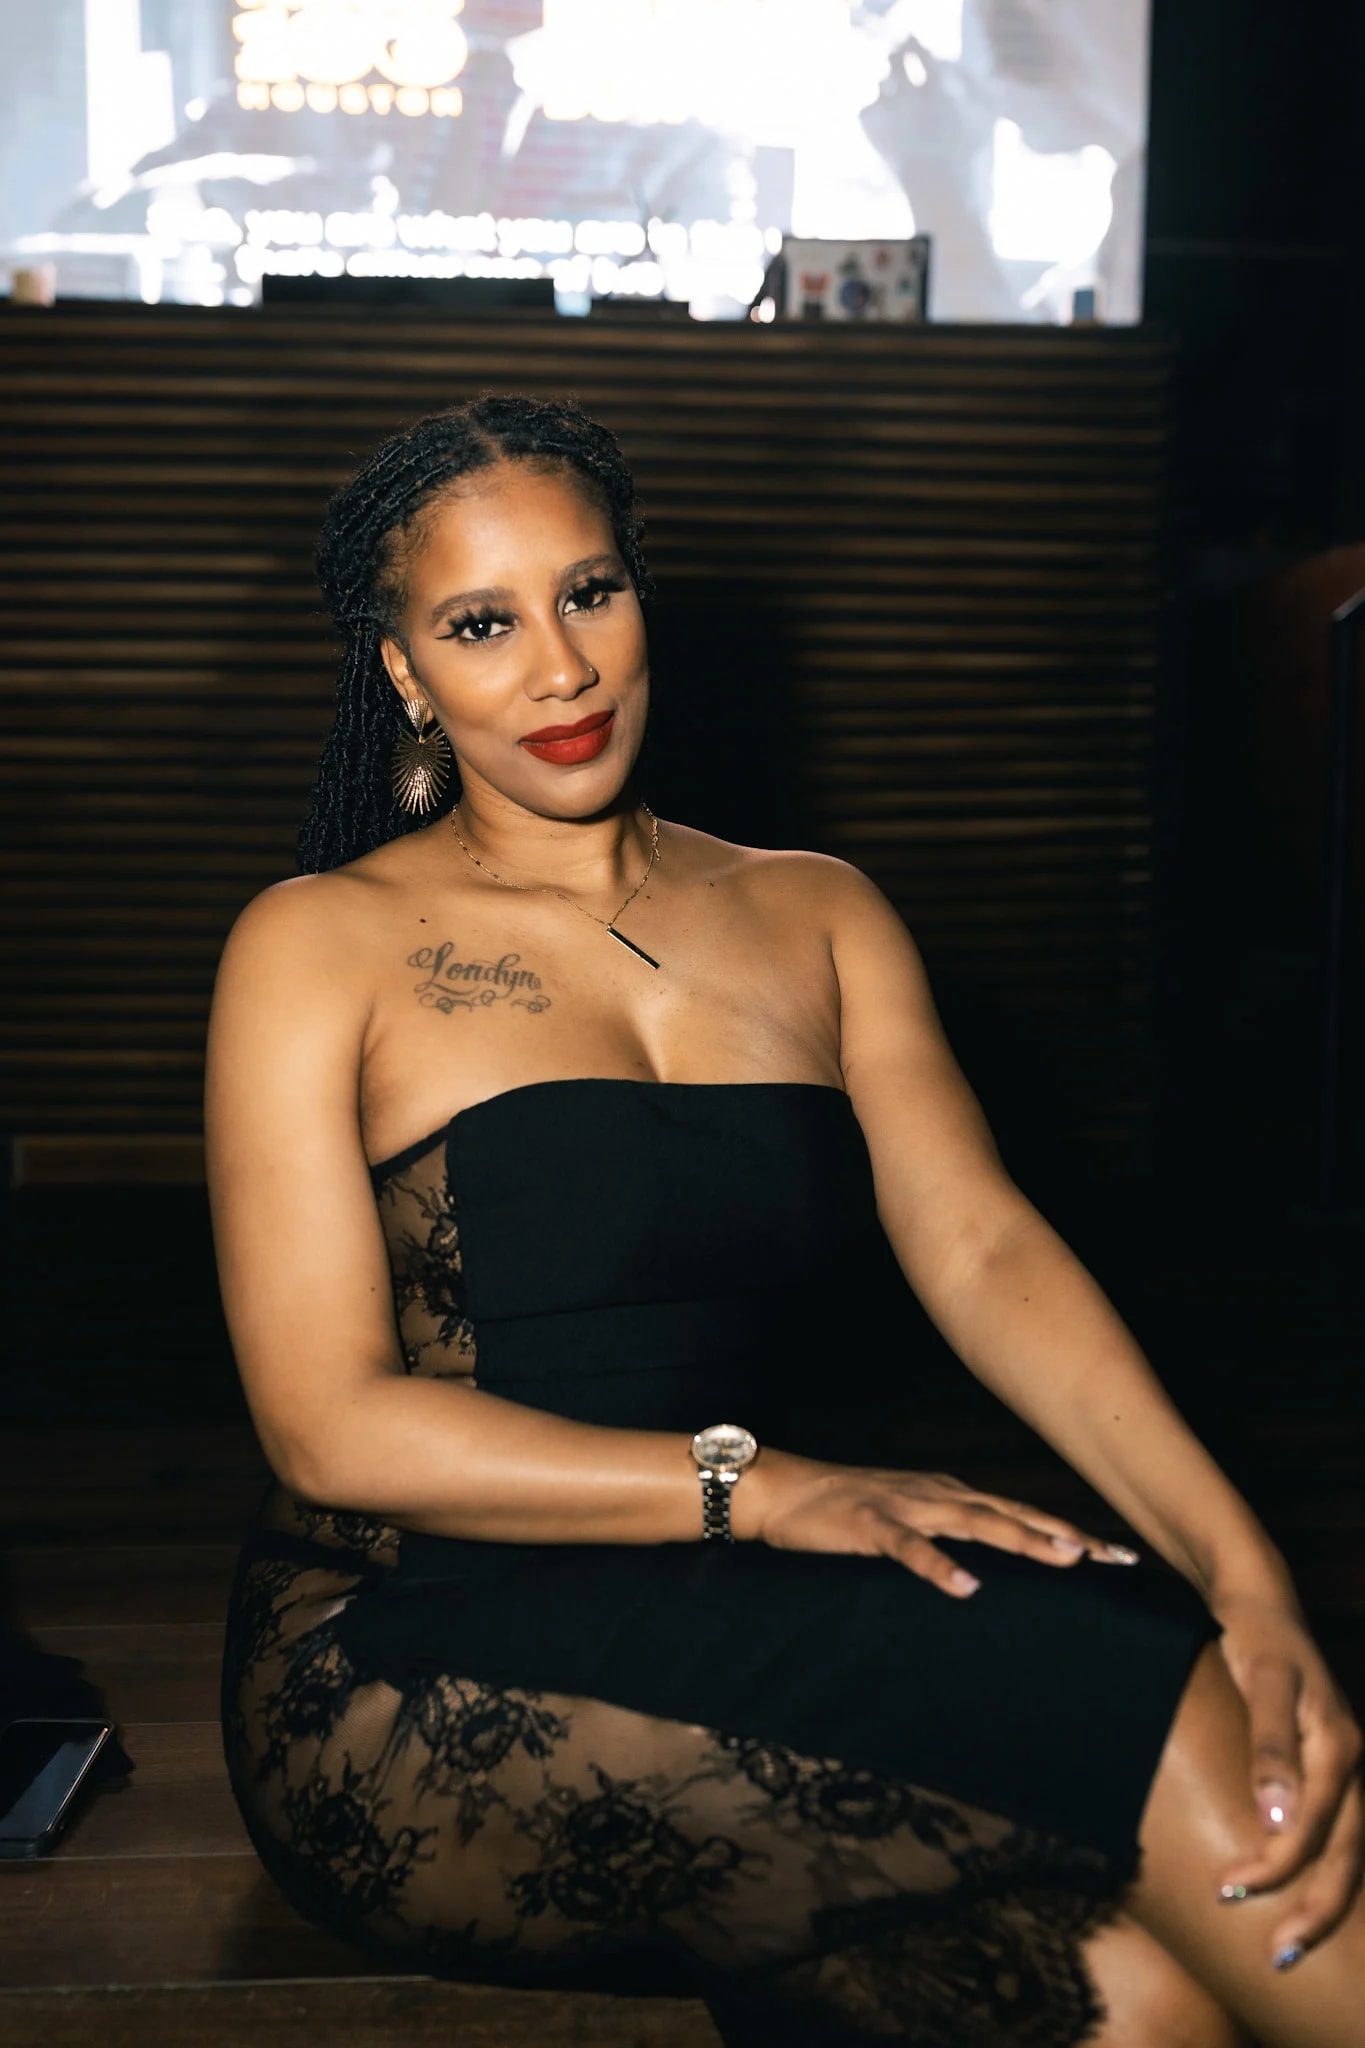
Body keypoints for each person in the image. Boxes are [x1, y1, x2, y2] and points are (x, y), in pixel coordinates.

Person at [208, 396, 1363, 2048]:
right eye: (481, 623)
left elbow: (982, 1248)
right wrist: (763, 1487)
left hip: (728, 1590)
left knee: (1128, 2003)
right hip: (412, 1648)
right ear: (402, 670)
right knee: (1128, 1680)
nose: (561, 669)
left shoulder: (817, 909)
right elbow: (327, 1426)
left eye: (589, 593)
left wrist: (1244, 1576)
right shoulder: (316, 944)